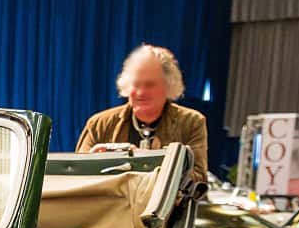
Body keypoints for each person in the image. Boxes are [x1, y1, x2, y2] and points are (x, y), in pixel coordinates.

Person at [76, 44, 208, 186]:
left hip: (165, 208)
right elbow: (75, 173)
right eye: (136, 84)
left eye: (150, 85)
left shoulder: (192, 122)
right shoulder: (99, 123)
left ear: (169, 86)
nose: (140, 92)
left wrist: (146, 164)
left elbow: (198, 179)